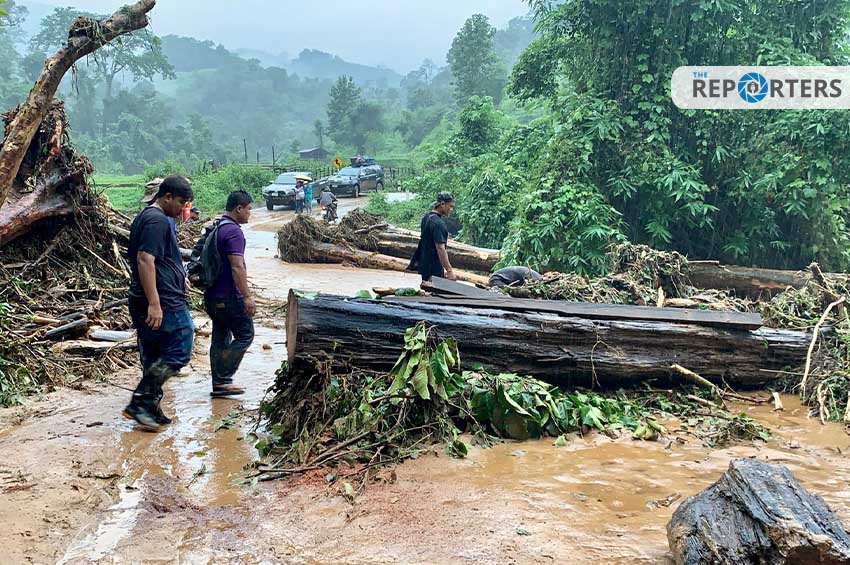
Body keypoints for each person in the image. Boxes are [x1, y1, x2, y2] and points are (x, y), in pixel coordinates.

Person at [123, 176, 195, 432]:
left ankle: (150, 408)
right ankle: (141, 402)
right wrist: (155, 303)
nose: (182, 208)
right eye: (181, 202)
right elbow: (145, 259)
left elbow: (160, 258)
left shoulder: (149, 217)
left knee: (153, 353)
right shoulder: (157, 220)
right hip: (162, 299)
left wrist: (180, 275)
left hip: (149, 296)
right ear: (167, 197)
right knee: (181, 345)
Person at [204, 190, 256, 398]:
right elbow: (237, 266)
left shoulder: (216, 227)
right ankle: (224, 379)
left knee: (220, 336)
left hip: (212, 295)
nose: (250, 213)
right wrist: (247, 296)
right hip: (228, 296)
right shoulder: (234, 232)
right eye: (249, 209)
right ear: (239, 209)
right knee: (245, 334)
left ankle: (219, 383)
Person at [408, 192, 456, 282]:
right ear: (442, 204)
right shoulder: (438, 223)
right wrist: (449, 271)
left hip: (424, 266)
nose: (451, 209)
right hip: (433, 268)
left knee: (427, 288)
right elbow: (440, 248)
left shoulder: (426, 218)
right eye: (450, 206)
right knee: (434, 290)